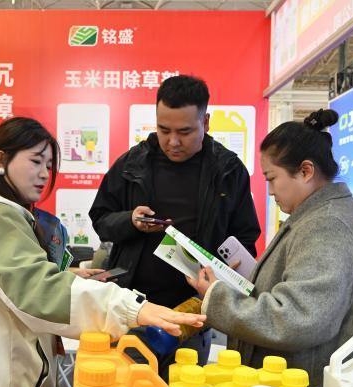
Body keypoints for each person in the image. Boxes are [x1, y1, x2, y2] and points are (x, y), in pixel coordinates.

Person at [0, 117, 206, 387]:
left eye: (49, 165)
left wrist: (68, 278)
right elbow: (36, 291)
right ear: (1, 159)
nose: (44, 173)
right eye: (35, 161)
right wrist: (131, 308)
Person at [188, 109, 353, 387]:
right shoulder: (321, 215)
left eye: (271, 178)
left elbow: (298, 319)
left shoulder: (328, 224)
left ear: (305, 171)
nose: (269, 191)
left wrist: (217, 297)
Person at [89, 75, 261, 371]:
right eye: (163, 130)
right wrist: (129, 221)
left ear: (205, 122)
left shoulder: (228, 171)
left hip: (191, 314)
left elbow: (245, 236)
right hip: (133, 309)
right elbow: (101, 220)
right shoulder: (132, 164)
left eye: (185, 131)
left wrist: (226, 274)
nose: (173, 142)